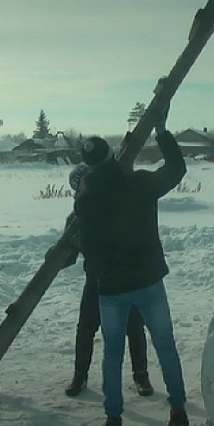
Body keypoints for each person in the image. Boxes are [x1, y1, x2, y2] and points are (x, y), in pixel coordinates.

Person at [74, 129, 189, 426]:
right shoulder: (139, 183)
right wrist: (162, 134)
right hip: (149, 282)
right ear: (112, 156)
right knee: (165, 344)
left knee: (112, 354)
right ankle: (178, 410)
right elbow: (176, 169)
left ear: (89, 164)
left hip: (111, 289)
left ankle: (114, 416)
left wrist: (102, 276)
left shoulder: (86, 198)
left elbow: (87, 245)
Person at [62, 164, 154, 398]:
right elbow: (69, 251)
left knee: (134, 327)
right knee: (85, 328)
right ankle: (80, 377)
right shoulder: (77, 216)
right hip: (96, 280)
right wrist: (59, 253)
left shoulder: (119, 205)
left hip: (125, 277)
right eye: (79, 186)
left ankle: (141, 376)